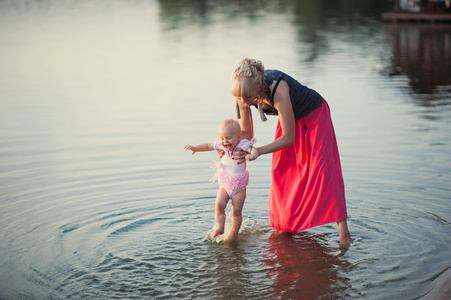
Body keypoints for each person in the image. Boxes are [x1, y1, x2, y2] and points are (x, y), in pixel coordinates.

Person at [230, 58, 352, 247]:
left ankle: (344, 232)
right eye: (239, 98)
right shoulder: (243, 93)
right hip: (291, 120)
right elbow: (247, 133)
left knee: (323, 172)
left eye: (247, 97)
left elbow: (288, 138)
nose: (243, 102)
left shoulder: (278, 89)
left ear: (258, 87)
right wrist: (231, 147)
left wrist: (259, 151)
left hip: (314, 116)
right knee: (282, 172)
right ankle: (284, 227)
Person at [184, 118, 259, 242]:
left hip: (239, 187)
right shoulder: (220, 145)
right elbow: (208, 146)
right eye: (222, 138)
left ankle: (233, 234)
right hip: (224, 185)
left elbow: (253, 149)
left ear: (239, 136)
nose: (225, 141)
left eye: (229, 138)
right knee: (219, 205)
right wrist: (196, 148)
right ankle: (220, 227)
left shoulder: (243, 144)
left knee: (236, 211)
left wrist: (253, 155)